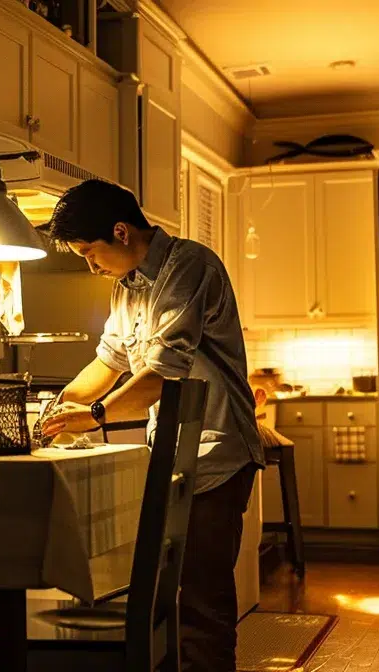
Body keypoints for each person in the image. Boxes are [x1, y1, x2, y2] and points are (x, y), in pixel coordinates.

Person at [38, 179, 262, 672]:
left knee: (202, 601)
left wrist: (94, 416)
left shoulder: (190, 267)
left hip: (216, 454)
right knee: (167, 599)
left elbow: (162, 371)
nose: (90, 266)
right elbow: (108, 362)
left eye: (90, 252)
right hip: (176, 457)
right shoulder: (127, 287)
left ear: (121, 231)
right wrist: (60, 403)